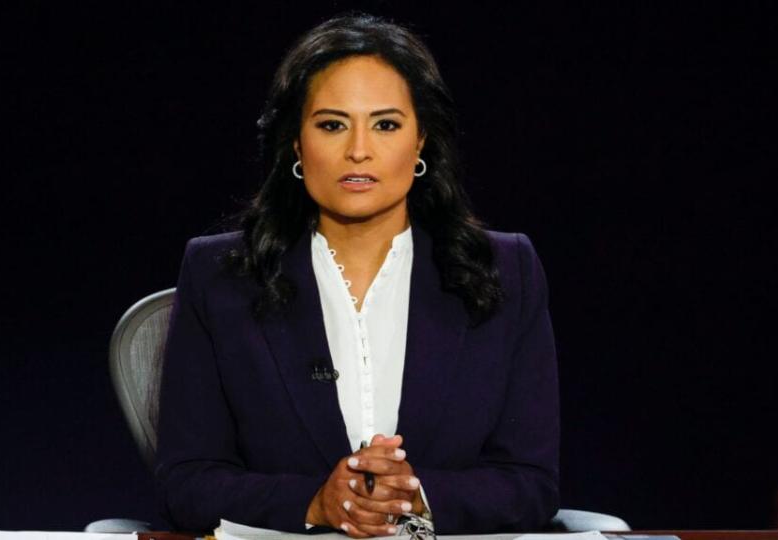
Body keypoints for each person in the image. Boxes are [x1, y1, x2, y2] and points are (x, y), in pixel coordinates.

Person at [154, 12, 559, 537]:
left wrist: (414, 494)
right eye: (332, 124)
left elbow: (533, 481)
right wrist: (317, 503)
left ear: (422, 144)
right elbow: (185, 484)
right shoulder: (220, 276)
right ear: (297, 145)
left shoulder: (506, 271)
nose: (359, 150)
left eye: (386, 124)